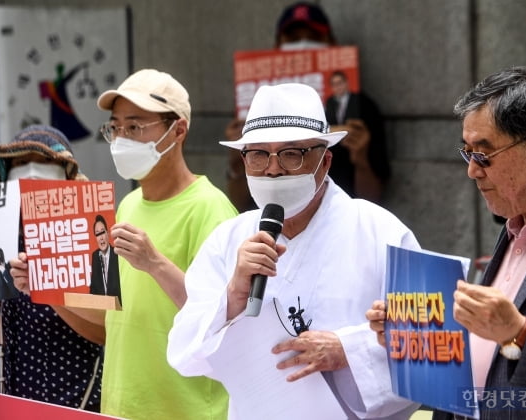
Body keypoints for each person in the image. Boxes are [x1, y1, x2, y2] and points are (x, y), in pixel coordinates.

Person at [168, 83, 421, 419]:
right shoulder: (228, 238)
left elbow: (427, 349)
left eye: (291, 153)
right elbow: (184, 353)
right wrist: (232, 297)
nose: (273, 168)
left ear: (326, 160)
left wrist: (347, 351)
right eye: (257, 154)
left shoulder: (382, 233)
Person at [369, 67, 526, 419]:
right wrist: (420, 341)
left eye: (483, 154)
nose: (472, 170)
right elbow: (489, 359)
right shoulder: (517, 221)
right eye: (467, 153)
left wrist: (520, 335)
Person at [14, 68, 236, 419]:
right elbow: (108, 326)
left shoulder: (210, 208)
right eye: (115, 127)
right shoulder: (128, 205)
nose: (121, 138)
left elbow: (225, 322)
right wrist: (43, 286)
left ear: (178, 130)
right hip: (120, 409)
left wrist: (155, 263)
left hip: (186, 411)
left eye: (135, 127)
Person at [0, 125, 103, 411]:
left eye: (45, 162)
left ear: (66, 170)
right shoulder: (7, 241)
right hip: (23, 401)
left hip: (79, 402)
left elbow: (105, 332)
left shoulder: (88, 235)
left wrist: (46, 288)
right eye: (19, 163)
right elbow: (17, 335)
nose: (31, 171)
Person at [225, 1, 388, 211]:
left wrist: (361, 159)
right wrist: (238, 161)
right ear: (277, 46)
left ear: (331, 43)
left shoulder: (359, 109)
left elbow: (372, 200)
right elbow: (237, 202)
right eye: (293, 38)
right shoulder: (256, 110)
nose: (303, 44)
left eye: (313, 37)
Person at [325, 70, 390, 201]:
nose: (338, 87)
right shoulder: (329, 103)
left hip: (353, 190)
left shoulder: (364, 106)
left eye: (340, 83)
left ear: (347, 83)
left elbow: (371, 195)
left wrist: (360, 158)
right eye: (334, 84)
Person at [89, 214, 121, 304]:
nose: (101, 238)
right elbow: (94, 287)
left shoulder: (117, 254)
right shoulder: (95, 256)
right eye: (98, 234)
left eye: (102, 232)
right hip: (101, 309)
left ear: (107, 233)